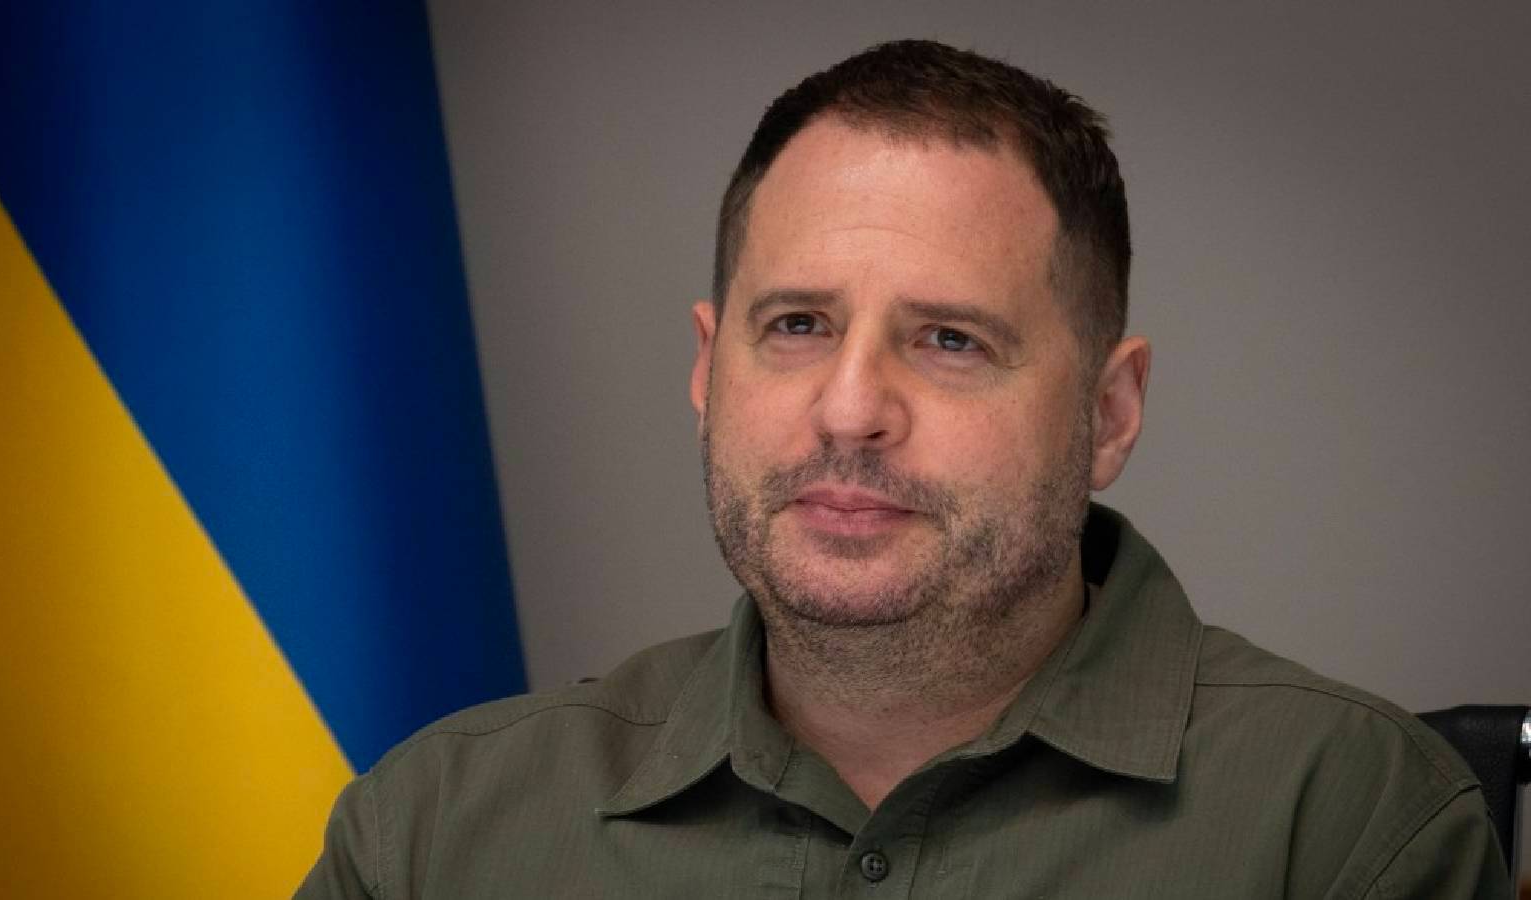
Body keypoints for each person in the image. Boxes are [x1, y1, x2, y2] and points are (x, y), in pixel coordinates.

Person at [296, 40, 1507, 898]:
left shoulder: (1346, 829)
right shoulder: (434, 835)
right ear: (709, 370)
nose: (850, 409)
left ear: (1108, 413)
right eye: (796, 325)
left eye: (948, 340)